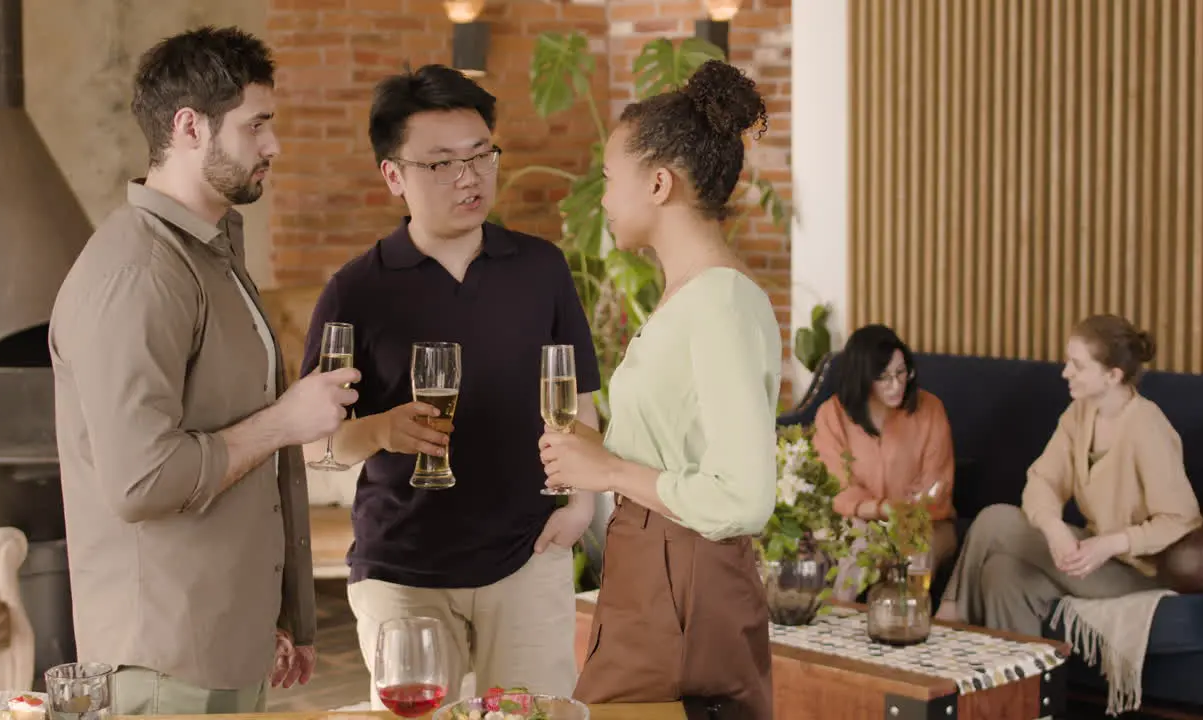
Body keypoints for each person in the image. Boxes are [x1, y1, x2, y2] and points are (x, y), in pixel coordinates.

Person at [49, 27, 358, 715]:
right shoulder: (139, 274)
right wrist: (285, 422)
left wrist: (273, 617)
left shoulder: (208, 255)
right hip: (162, 666)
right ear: (190, 128)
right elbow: (142, 480)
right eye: (257, 125)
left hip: (218, 647)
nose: (273, 145)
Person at [299, 65, 601, 706]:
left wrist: (579, 505)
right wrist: (380, 430)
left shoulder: (540, 267)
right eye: (440, 164)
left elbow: (579, 398)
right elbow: (313, 443)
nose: (468, 177)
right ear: (393, 176)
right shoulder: (356, 290)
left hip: (527, 555)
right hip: (402, 570)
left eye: (480, 155)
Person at [538, 60, 781, 720]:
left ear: (658, 182)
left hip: (681, 576)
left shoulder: (721, 304)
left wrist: (609, 467)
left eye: (610, 181)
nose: (603, 199)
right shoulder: (694, 298)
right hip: (662, 569)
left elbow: (744, 495)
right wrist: (595, 454)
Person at [935, 314, 1203, 635]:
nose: (1065, 373)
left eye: (1077, 365)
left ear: (1112, 376)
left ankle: (948, 615)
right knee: (1002, 573)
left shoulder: (1148, 428)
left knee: (994, 521)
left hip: (1135, 573)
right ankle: (1025, 684)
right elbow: (1043, 480)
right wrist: (1053, 527)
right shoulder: (1079, 412)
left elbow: (1181, 519)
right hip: (1090, 556)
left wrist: (1112, 544)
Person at [811, 324, 957, 599]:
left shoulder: (930, 410)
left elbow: (935, 488)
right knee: (860, 543)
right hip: (858, 520)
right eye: (884, 378)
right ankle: (838, 629)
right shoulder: (832, 415)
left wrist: (901, 515)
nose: (897, 385)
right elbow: (838, 490)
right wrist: (882, 509)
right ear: (863, 378)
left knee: (918, 551)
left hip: (927, 524)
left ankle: (909, 630)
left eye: (902, 373)